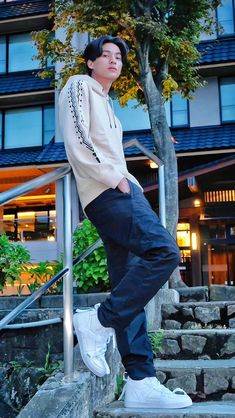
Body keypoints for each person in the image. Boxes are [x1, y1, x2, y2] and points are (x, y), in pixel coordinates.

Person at [58, 35, 192, 409]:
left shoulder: (110, 104)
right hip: (105, 192)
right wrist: (114, 178)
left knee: (128, 280)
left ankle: (139, 380)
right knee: (164, 251)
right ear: (90, 62)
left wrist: (127, 181)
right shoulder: (78, 85)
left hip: (120, 190)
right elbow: (78, 139)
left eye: (119, 56)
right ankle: (96, 321)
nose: (114, 61)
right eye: (106, 55)